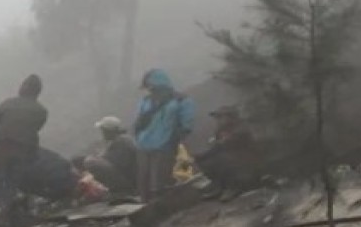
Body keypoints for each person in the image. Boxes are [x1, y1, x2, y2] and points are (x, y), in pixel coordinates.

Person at [0, 74, 48, 225]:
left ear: (22, 88)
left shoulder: (6, 104)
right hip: (22, 150)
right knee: (12, 185)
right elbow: (35, 128)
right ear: (37, 92)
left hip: (0, 148)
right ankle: (6, 219)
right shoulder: (41, 110)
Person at [133, 69, 194, 202]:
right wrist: (137, 135)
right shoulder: (146, 101)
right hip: (144, 145)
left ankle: (163, 205)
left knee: (159, 180)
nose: (150, 91)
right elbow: (139, 121)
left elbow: (186, 124)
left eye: (152, 87)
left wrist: (175, 139)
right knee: (144, 181)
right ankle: (146, 206)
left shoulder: (181, 100)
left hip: (165, 146)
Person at [196, 105, 257, 199]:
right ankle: (219, 187)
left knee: (223, 159)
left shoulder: (241, 127)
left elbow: (227, 143)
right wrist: (202, 156)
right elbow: (217, 146)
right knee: (206, 161)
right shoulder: (221, 130)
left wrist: (218, 145)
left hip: (244, 158)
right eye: (217, 117)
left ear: (231, 117)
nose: (218, 120)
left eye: (220, 117)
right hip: (229, 156)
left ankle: (234, 187)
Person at [80, 116, 137, 197]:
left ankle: (120, 190)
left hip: (128, 180)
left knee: (90, 162)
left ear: (109, 131)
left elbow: (118, 164)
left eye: (103, 130)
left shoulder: (122, 142)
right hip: (129, 178)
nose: (102, 133)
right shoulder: (121, 140)